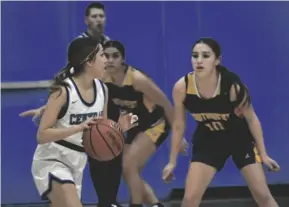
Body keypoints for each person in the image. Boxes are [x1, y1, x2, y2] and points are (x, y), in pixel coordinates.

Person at [162, 38, 281, 207]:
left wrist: (264, 154)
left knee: (263, 196)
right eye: (195, 56)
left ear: (217, 60)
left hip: (239, 140)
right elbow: (179, 124)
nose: (199, 61)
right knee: (189, 200)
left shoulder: (232, 87)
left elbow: (252, 119)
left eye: (206, 56)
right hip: (209, 140)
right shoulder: (182, 87)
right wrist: (172, 161)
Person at [31, 37, 136, 207]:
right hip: (52, 158)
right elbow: (41, 135)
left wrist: (118, 128)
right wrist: (77, 128)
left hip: (77, 160)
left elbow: (101, 128)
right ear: (89, 61)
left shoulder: (103, 90)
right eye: (102, 55)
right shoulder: (63, 91)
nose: (106, 60)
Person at [102, 40, 188, 207]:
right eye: (106, 56)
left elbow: (165, 104)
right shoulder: (103, 78)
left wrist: (179, 136)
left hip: (156, 123)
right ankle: (155, 204)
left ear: (123, 60)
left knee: (129, 165)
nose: (110, 60)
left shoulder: (137, 79)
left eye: (115, 56)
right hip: (136, 125)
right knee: (129, 172)